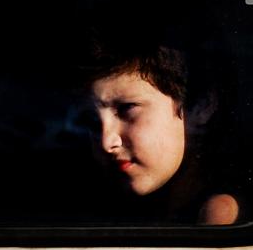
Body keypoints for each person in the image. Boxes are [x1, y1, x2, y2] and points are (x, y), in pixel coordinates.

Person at [76, 34, 240, 225]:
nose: (106, 142)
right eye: (92, 121)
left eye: (127, 108)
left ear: (200, 106)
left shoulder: (222, 217)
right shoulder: (96, 207)